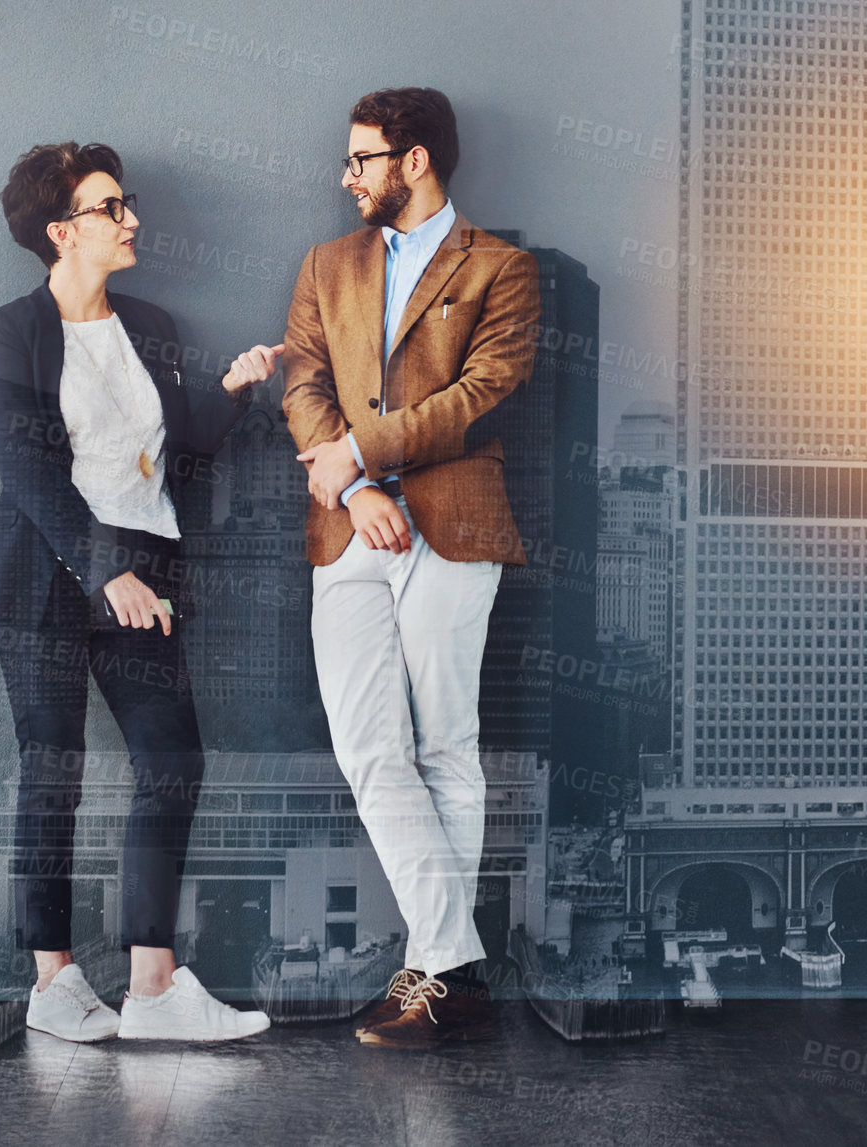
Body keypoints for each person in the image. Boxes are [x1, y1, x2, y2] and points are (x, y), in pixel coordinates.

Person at [0, 141, 281, 1042]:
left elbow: (174, 453)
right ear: (61, 231)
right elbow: (26, 466)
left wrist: (231, 391)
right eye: (112, 207)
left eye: (126, 202)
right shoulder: (8, 330)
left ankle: (152, 988)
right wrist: (104, 570)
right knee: (52, 770)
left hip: (144, 571)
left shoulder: (152, 322)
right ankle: (54, 981)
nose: (132, 218)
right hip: (46, 573)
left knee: (172, 761)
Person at [281, 88, 539, 1048]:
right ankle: (455, 966)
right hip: (349, 529)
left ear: (415, 159)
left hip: (455, 524)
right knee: (368, 750)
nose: (346, 177)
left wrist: (367, 452)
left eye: (361, 159)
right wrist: (353, 488)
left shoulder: (503, 269)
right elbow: (304, 381)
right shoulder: (326, 264)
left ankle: (435, 979)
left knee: (444, 751)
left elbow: (482, 392)